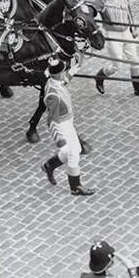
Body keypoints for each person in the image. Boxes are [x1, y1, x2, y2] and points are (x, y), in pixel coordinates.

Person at [41, 59, 95, 195]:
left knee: (70, 151)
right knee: (73, 153)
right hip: (62, 125)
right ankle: (75, 187)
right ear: (59, 73)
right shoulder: (53, 95)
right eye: (63, 71)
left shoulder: (54, 81)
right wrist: (60, 140)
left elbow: (64, 80)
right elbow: (52, 120)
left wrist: (75, 68)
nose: (64, 73)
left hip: (68, 122)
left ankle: (50, 165)